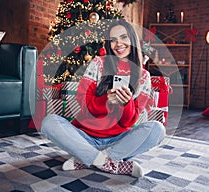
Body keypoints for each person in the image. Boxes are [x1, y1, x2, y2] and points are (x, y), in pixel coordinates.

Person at [41, 19, 165, 177]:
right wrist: (106, 101)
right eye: (113, 40)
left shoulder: (143, 76)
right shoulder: (98, 63)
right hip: (85, 136)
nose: (118, 43)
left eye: (123, 37)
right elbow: (84, 107)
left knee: (157, 129)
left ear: (132, 40)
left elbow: (129, 121)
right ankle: (111, 163)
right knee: (49, 122)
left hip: (118, 140)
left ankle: (87, 158)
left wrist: (126, 104)